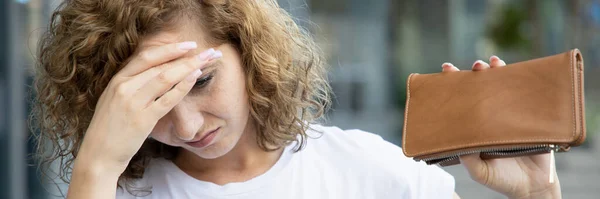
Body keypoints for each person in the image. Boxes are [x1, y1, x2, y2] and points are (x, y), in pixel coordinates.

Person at [31, 0, 561, 198]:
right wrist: (95, 169)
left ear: (248, 50)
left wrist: (538, 195)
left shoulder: (377, 176)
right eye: (152, 104)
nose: (188, 125)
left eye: (199, 82)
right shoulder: (114, 194)